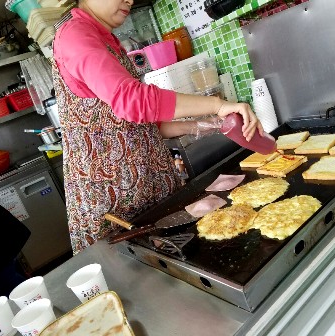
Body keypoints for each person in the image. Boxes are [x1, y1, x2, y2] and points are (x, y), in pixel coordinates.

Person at [52, 0, 264, 255]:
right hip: (114, 205)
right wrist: (218, 105)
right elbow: (133, 102)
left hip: (151, 193)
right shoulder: (75, 36)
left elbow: (137, 125)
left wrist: (204, 125)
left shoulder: (107, 39)